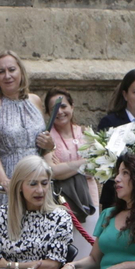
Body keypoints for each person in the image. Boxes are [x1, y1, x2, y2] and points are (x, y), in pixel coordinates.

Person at [0, 51, 48, 259]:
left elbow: (43, 143)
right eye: (1, 71)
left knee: (35, 237)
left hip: (36, 175)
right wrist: (5, 181)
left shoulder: (35, 100)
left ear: (21, 72)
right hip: (7, 173)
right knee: (3, 239)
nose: (7, 76)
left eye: (11, 70)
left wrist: (49, 144)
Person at [38, 89, 95, 221]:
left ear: (72, 106)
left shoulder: (85, 132)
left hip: (89, 196)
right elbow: (52, 171)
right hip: (62, 199)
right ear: (48, 113)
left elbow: (95, 168)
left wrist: (65, 167)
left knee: (90, 239)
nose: (59, 112)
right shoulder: (47, 138)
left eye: (63, 106)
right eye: (54, 108)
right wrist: (83, 163)